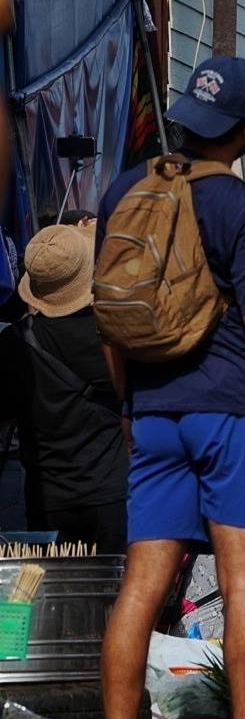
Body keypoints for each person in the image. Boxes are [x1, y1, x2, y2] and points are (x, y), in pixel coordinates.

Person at [99, 57, 245, 719]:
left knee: (141, 588)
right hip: (232, 411)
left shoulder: (125, 192)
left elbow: (112, 321)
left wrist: (130, 409)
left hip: (152, 411)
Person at [10, 225, 129, 552]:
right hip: (114, 493)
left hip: (48, 499)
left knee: (58, 599)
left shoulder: (14, 345)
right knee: (122, 597)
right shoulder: (113, 336)